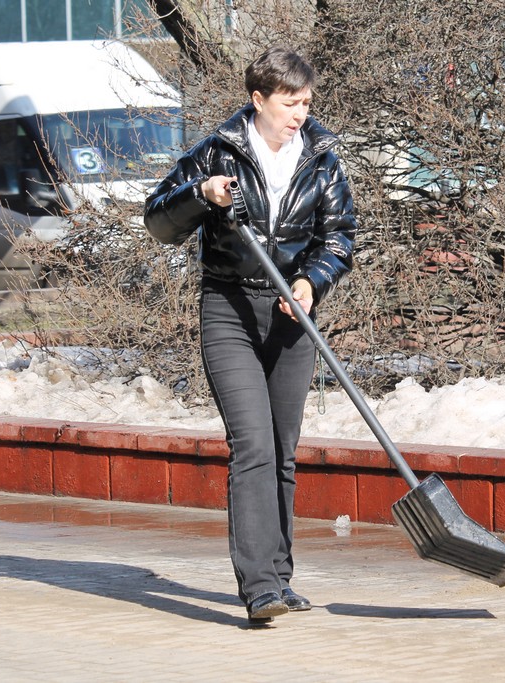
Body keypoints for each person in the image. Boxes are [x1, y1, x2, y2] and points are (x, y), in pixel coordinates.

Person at [143, 46, 357, 624]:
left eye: (307, 102)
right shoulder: (216, 152)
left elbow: (339, 235)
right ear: (258, 100)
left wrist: (311, 282)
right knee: (254, 445)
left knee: (284, 449)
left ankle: (281, 578)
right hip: (229, 308)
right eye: (290, 103)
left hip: (292, 315)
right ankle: (259, 587)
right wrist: (200, 195)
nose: (301, 114)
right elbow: (157, 220)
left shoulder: (322, 157)